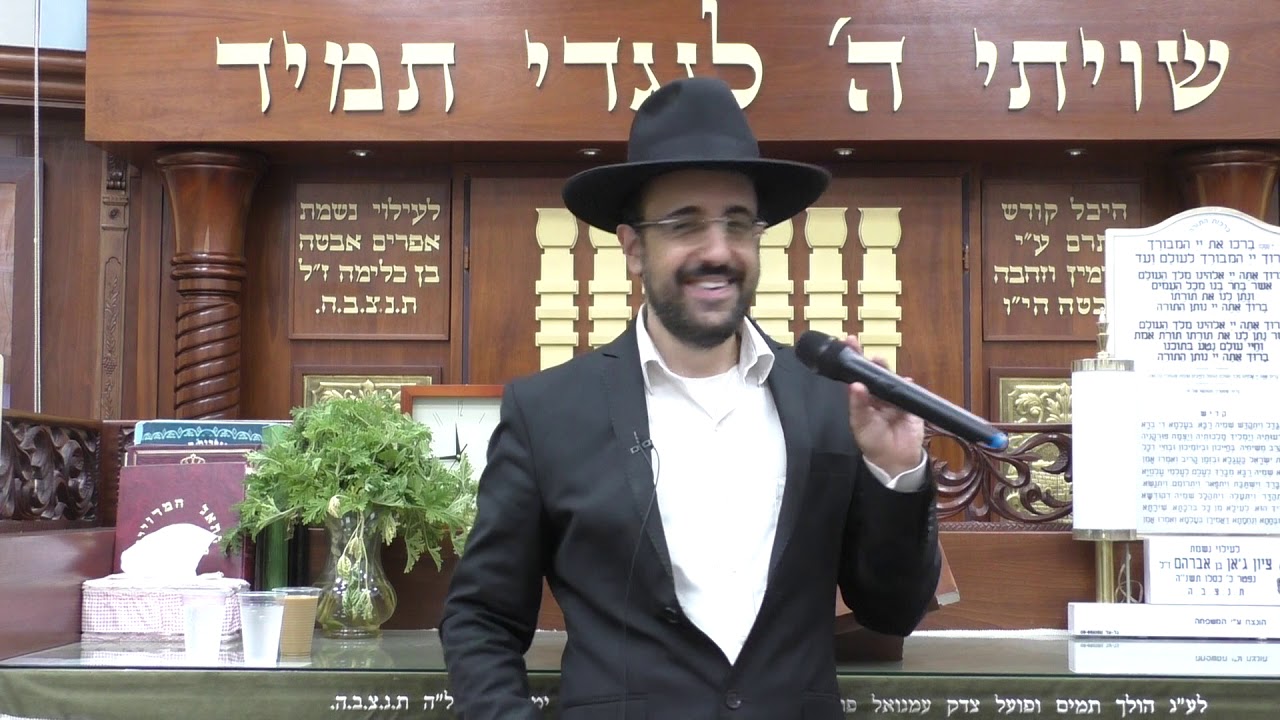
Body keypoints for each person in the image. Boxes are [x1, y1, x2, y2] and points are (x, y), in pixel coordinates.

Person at [439, 76, 942, 719]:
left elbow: (891, 611)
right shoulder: (548, 413)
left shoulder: (831, 402)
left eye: (738, 223)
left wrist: (895, 470)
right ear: (633, 249)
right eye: (685, 224)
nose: (718, 251)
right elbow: (481, 619)